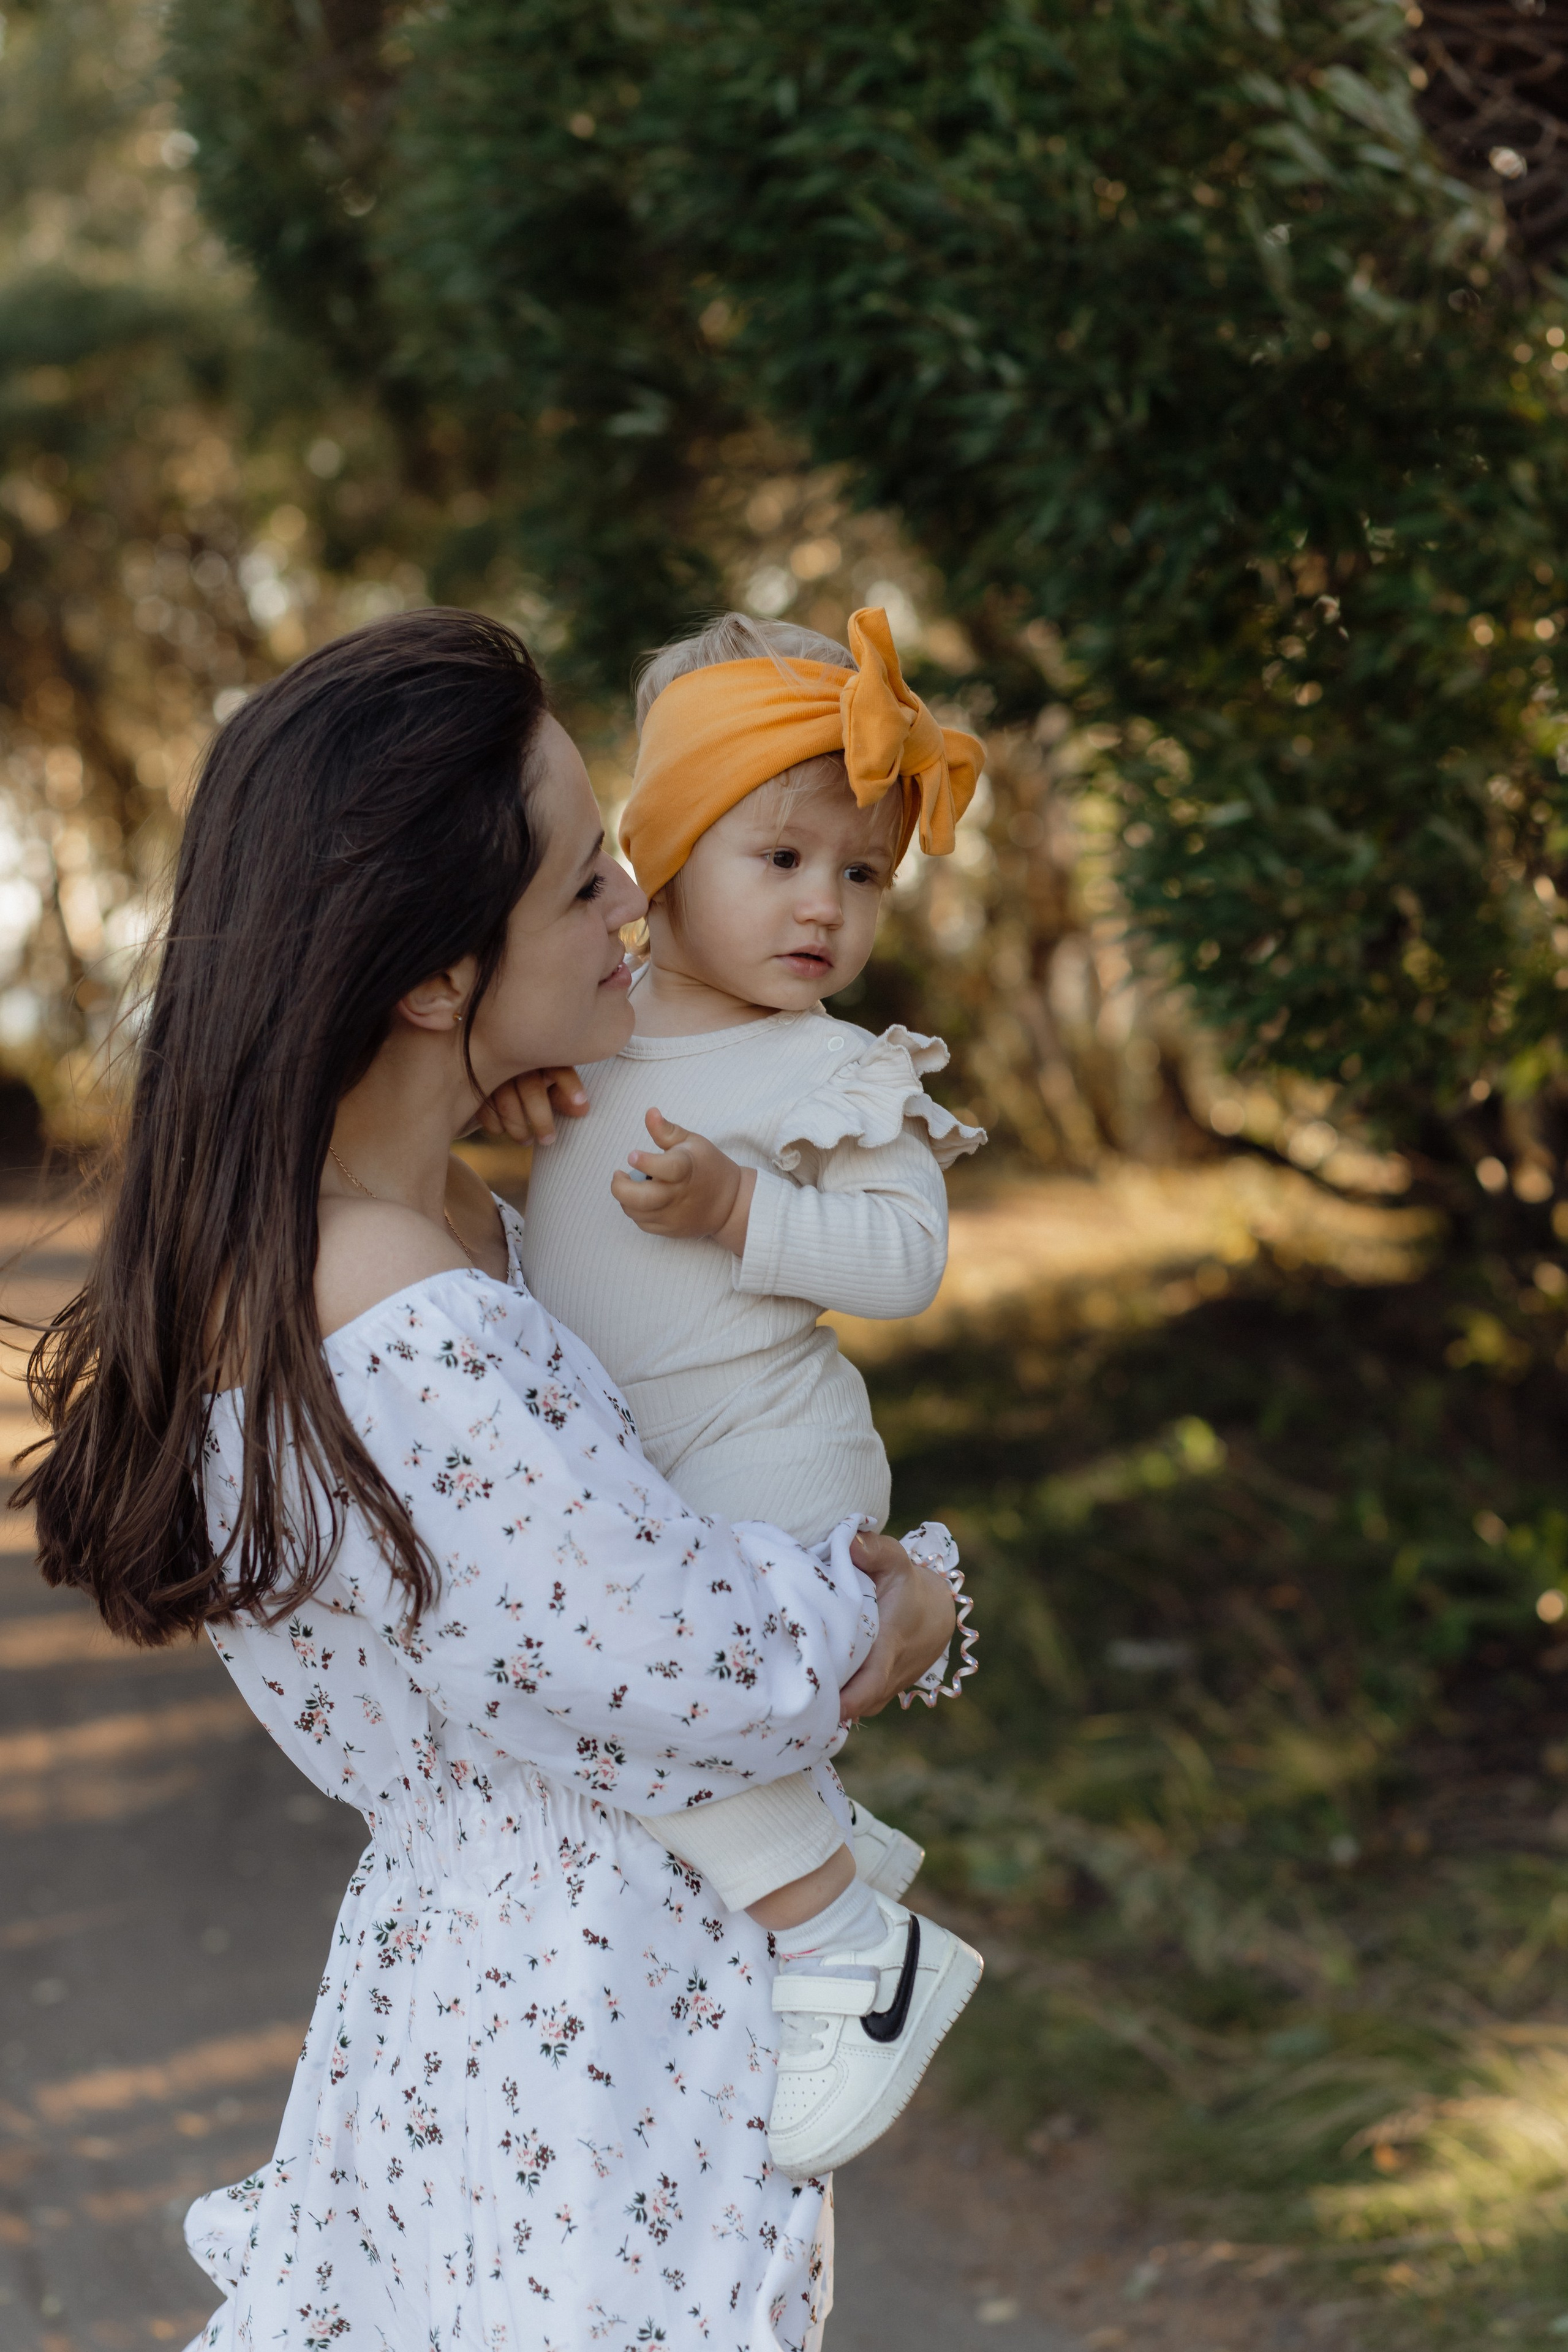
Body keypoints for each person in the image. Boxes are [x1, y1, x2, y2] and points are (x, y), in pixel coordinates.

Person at [18, 609, 958, 2352]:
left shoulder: (386, 1230)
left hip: (505, 2001)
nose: (638, 906)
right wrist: (916, 1591)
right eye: (587, 880)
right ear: (437, 974)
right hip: (584, 2033)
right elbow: (701, 1666)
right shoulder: (406, 1315)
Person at [512, 608, 986, 2182]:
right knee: (625, 1696)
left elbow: (907, 1259)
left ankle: (852, 1946)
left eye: (860, 876)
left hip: (764, 1450)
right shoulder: (591, 1036)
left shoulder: (827, 1071)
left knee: (650, 1685)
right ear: (661, 853)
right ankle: (810, 1848)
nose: (823, 911)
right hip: (631, 1459)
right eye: (777, 861)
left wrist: (743, 1217)